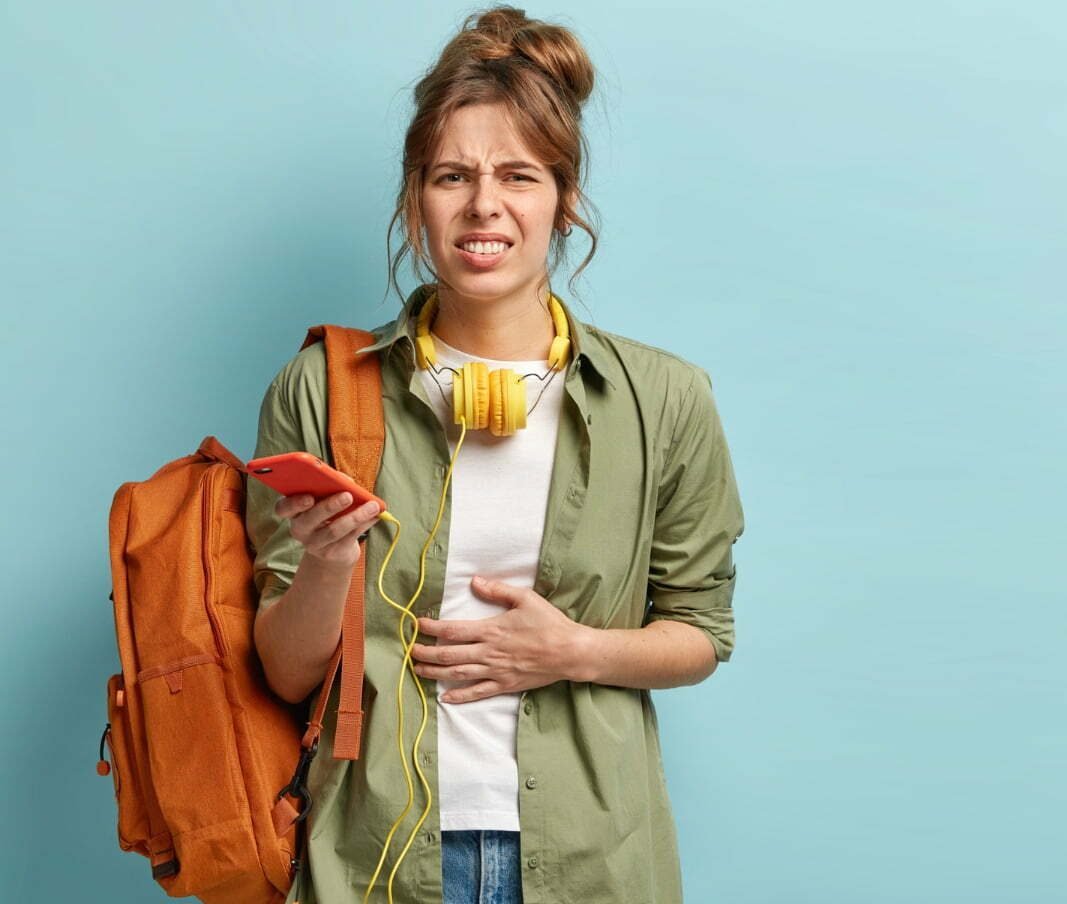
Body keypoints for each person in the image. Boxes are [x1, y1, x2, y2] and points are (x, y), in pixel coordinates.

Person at [244, 7, 745, 903]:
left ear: (565, 200)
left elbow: (701, 635)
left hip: (592, 858)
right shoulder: (321, 389)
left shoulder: (665, 399)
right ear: (415, 201)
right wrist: (327, 560)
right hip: (373, 861)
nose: (485, 204)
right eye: (452, 176)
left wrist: (572, 650)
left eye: (519, 175)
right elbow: (285, 673)